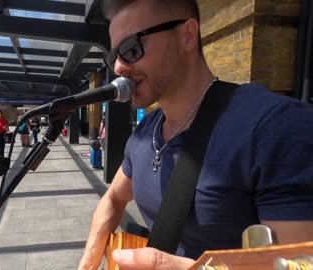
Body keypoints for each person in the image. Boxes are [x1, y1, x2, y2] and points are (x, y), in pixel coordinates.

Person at [78, 1, 313, 269]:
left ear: (187, 36)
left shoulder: (274, 127)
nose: (119, 67)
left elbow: (300, 264)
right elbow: (113, 198)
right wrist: (87, 264)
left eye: (131, 49)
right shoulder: (144, 134)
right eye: (113, 58)